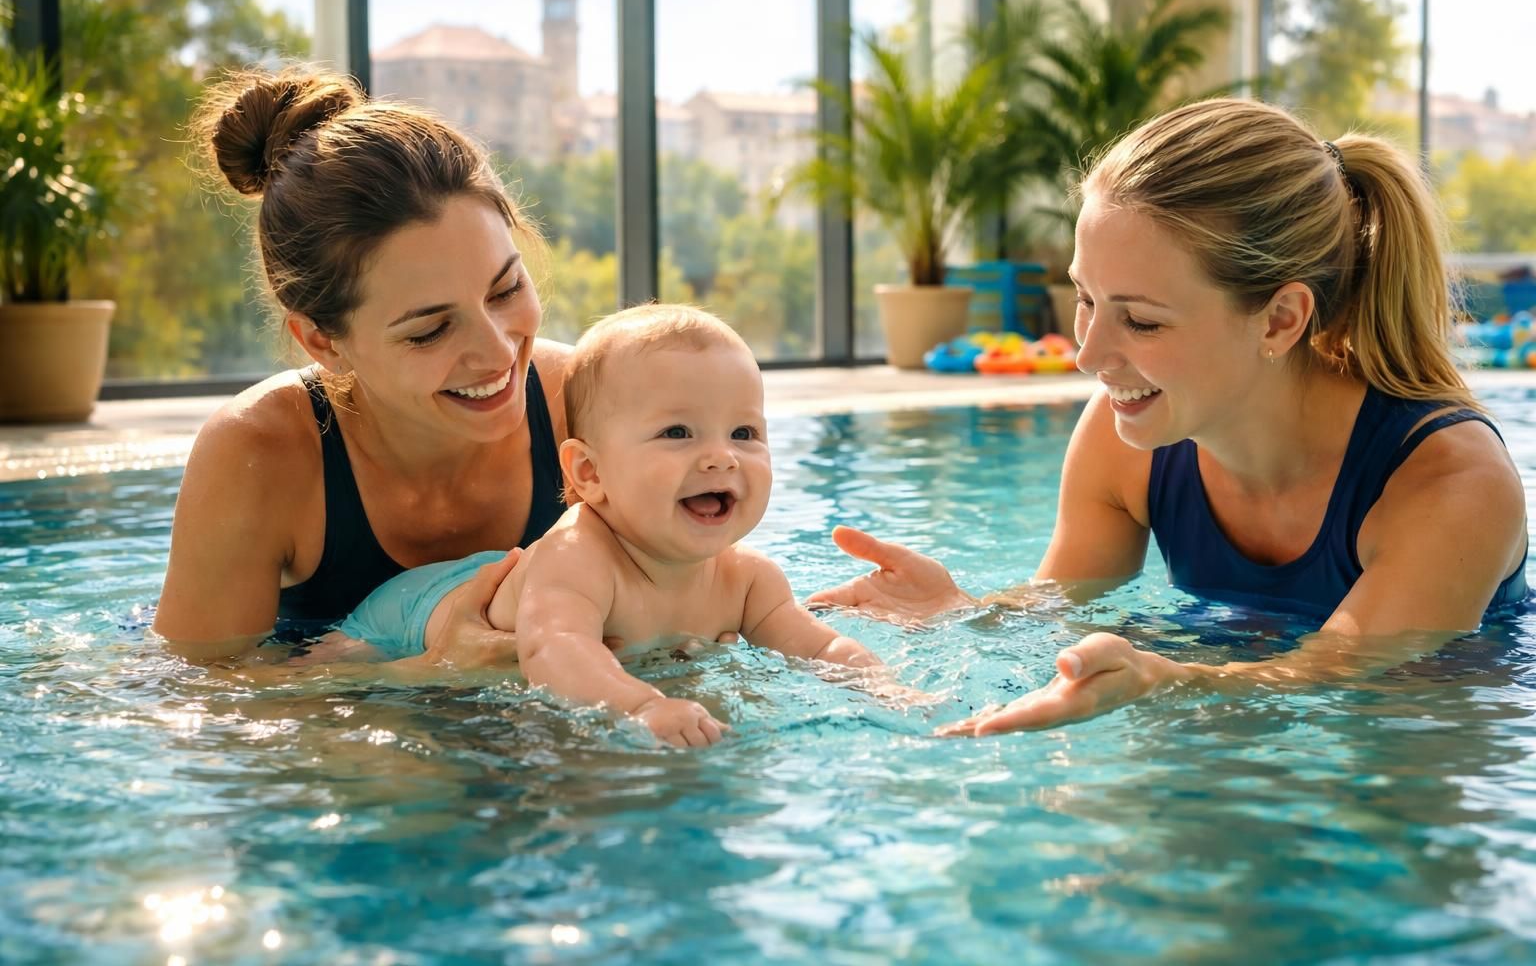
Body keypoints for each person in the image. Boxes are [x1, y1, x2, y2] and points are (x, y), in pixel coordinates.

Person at [808, 98, 1529, 736]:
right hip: (1228, 686)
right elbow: (1060, 603)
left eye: (1142, 322)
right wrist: (966, 612)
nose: (1089, 355)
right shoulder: (1126, 440)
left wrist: (1166, 679)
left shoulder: (1448, 483)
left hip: (1421, 720)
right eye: (1085, 299)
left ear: (1280, 319)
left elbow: (1337, 673)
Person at [319, 305, 921, 747]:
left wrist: (885, 686)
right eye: (677, 433)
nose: (721, 457)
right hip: (410, 612)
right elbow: (555, 648)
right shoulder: (578, 557)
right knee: (327, 676)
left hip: (500, 587)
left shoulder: (749, 579)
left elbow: (820, 646)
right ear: (589, 471)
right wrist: (641, 707)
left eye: (744, 433)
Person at [153, 65, 563, 657]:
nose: (500, 352)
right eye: (430, 330)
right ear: (323, 342)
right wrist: (426, 671)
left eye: (505, 291)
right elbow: (201, 696)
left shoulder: (586, 400)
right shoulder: (261, 453)